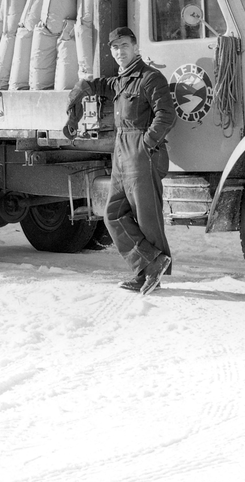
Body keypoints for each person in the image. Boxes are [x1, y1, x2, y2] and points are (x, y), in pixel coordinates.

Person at [66, 26, 177, 295]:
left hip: (140, 152)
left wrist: (146, 144)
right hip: (121, 152)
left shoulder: (150, 78)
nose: (119, 52)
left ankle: (150, 273)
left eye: (124, 46)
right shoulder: (122, 80)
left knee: (146, 216)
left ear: (136, 47)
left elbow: (167, 114)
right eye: (115, 48)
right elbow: (98, 85)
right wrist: (78, 95)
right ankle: (149, 264)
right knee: (113, 214)